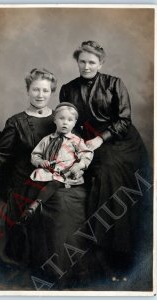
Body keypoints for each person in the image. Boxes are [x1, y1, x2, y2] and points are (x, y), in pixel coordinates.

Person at [59, 41, 152, 281]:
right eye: (82, 61)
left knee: (107, 173)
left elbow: (124, 120)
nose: (86, 66)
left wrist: (101, 139)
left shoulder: (114, 84)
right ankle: (92, 254)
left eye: (92, 62)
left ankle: (114, 253)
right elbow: (68, 121)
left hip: (120, 142)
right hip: (87, 141)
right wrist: (78, 147)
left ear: (101, 63)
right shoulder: (68, 89)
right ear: (77, 62)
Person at [0, 68, 57, 266]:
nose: (40, 95)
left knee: (65, 204)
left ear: (52, 92)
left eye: (45, 91)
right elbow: (2, 153)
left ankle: (58, 261)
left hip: (55, 180)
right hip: (24, 181)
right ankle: (34, 263)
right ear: (28, 91)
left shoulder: (61, 119)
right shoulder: (16, 122)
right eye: (36, 90)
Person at [18, 102, 93, 225]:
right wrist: (41, 161)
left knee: (55, 183)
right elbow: (35, 155)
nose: (65, 122)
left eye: (69, 120)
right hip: (48, 170)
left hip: (66, 173)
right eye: (61, 118)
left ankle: (35, 205)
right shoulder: (47, 139)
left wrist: (79, 165)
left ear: (74, 123)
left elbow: (86, 154)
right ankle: (24, 211)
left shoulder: (76, 141)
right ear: (55, 120)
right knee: (32, 182)